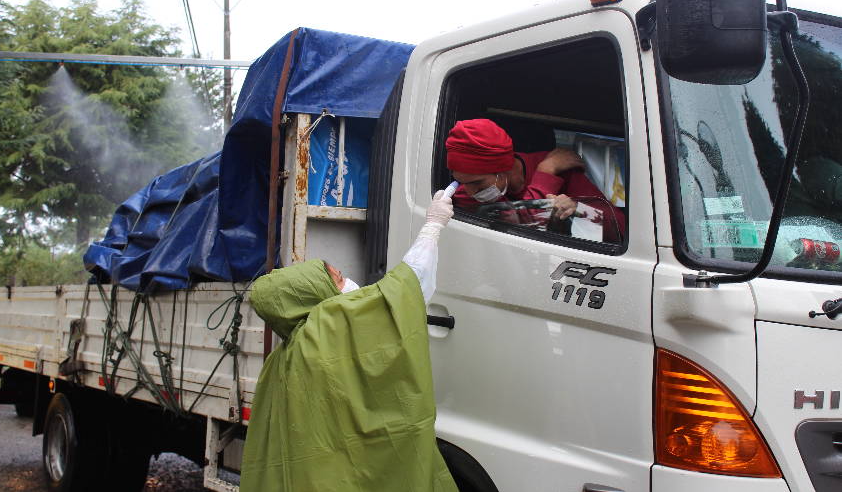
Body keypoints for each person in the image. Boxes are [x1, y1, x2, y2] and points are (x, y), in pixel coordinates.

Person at [240, 191, 458, 492]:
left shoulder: (286, 354)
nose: (349, 282)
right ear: (310, 295)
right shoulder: (329, 324)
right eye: (338, 279)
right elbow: (407, 285)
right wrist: (432, 226)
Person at [446, 118, 626, 242]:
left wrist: (579, 210)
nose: (468, 192)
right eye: (462, 182)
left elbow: (620, 227)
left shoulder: (565, 173)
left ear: (504, 168)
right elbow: (524, 222)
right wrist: (546, 173)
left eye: (477, 183)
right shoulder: (466, 196)